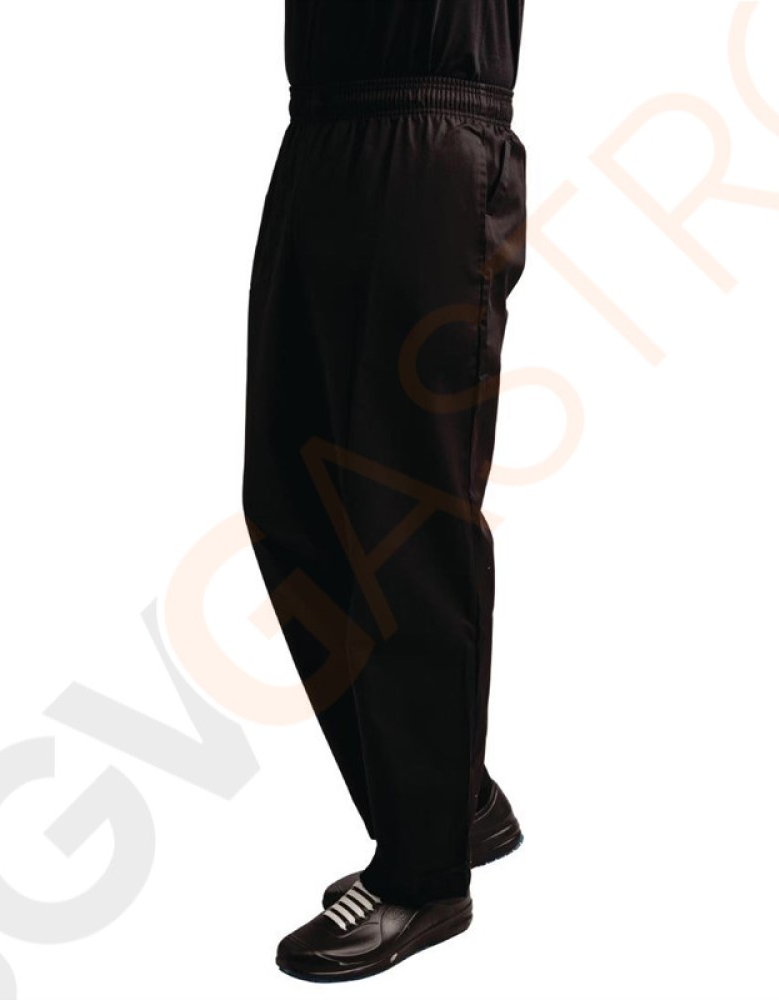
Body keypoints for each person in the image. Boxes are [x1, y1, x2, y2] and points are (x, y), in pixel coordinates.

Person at [242, 0, 528, 982]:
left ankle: (424, 876)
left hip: (432, 133)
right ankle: (452, 800)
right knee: (290, 501)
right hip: (319, 126)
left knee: (404, 520)